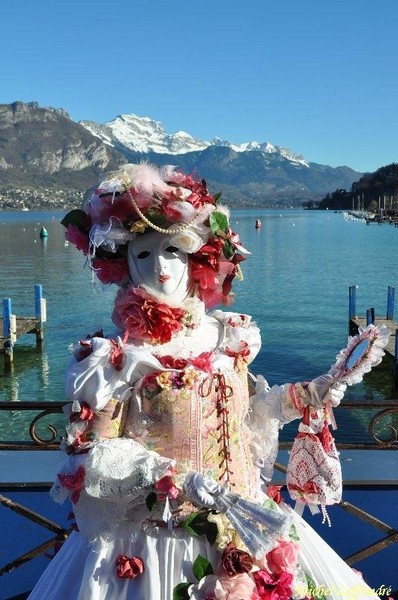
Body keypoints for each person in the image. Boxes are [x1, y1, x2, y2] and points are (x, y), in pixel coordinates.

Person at [29, 163, 379, 600]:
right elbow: (90, 457)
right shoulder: (110, 358)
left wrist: (304, 396)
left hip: (248, 522)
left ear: (197, 258)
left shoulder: (228, 334)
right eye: (144, 253)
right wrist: (182, 481)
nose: (161, 267)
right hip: (156, 545)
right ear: (124, 265)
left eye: (173, 250)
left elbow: (247, 415)